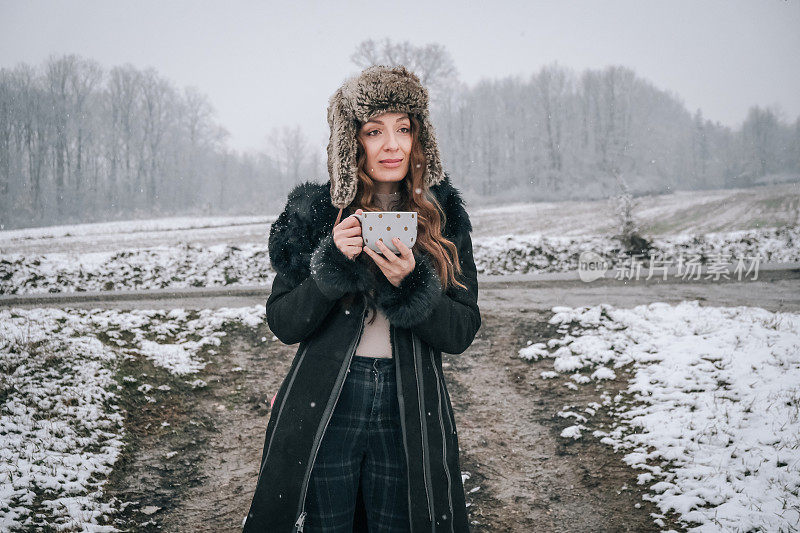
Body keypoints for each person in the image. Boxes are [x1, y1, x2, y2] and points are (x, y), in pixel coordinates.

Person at [242, 65, 480, 533]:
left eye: (404, 128)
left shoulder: (443, 216)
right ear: (351, 141)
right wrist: (330, 266)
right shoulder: (313, 213)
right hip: (325, 401)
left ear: (420, 137)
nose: (392, 145)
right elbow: (284, 323)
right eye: (375, 131)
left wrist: (414, 285)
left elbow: (461, 331)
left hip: (410, 403)